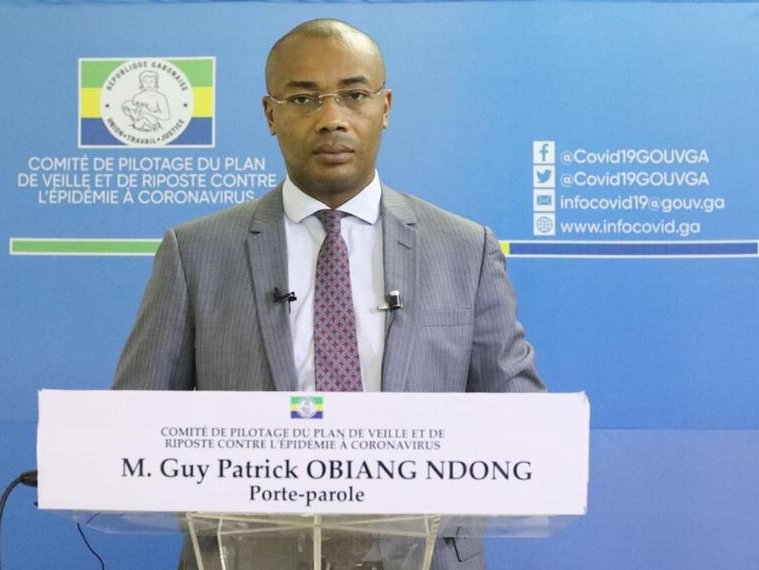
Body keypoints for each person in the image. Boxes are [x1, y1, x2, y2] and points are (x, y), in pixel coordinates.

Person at [114, 18, 544, 570]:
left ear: (385, 107)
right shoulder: (195, 252)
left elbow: (519, 420)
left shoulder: (464, 248)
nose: (332, 119)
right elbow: (136, 421)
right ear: (270, 114)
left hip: (422, 555)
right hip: (250, 555)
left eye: (354, 95)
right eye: (303, 99)